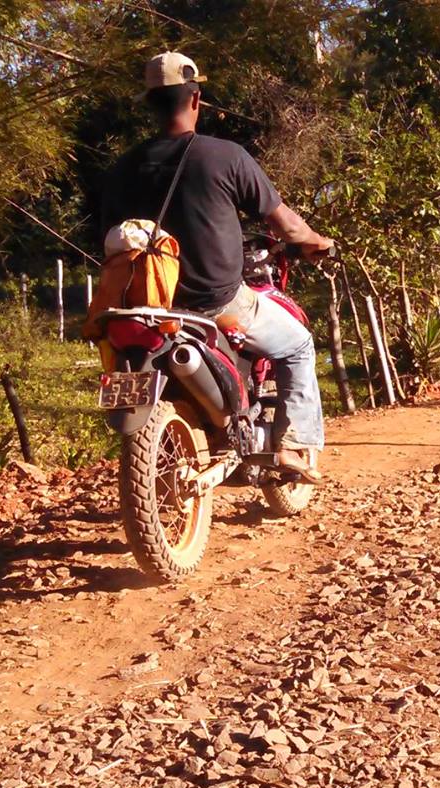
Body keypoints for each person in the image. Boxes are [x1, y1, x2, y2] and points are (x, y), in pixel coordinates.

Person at [101, 52, 335, 482]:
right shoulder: (224, 156)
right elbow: (287, 225)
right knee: (298, 345)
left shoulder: (122, 169)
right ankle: (293, 446)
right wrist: (318, 242)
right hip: (214, 302)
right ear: (196, 99)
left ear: (150, 104)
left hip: (144, 306)